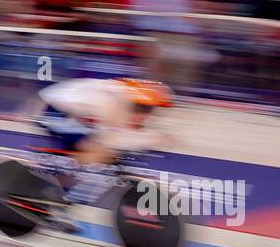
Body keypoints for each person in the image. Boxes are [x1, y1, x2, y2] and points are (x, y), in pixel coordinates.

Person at [23, 77, 174, 231]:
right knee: (97, 152)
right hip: (52, 111)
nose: (148, 116)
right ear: (136, 104)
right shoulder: (114, 103)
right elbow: (112, 139)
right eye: (146, 110)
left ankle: (59, 198)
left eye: (151, 110)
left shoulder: (122, 99)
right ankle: (52, 195)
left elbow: (122, 136)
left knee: (97, 156)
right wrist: (151, 140)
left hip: (68, 111)